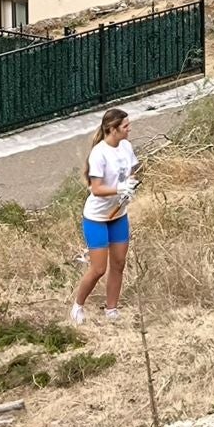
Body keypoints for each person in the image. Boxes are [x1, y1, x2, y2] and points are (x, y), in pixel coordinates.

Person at [72, 108, 137, 324]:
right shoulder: (99, 154)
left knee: (119, 263)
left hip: (119, 214)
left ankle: (111, 309)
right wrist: (120, 189)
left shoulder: (126, 146)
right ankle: (78, 306)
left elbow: (134, 169)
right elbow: (97, 189)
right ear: (112, 129)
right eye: (125, 126)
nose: (129, 129)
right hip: (97, 218)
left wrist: (133, 182)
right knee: (99, 268)